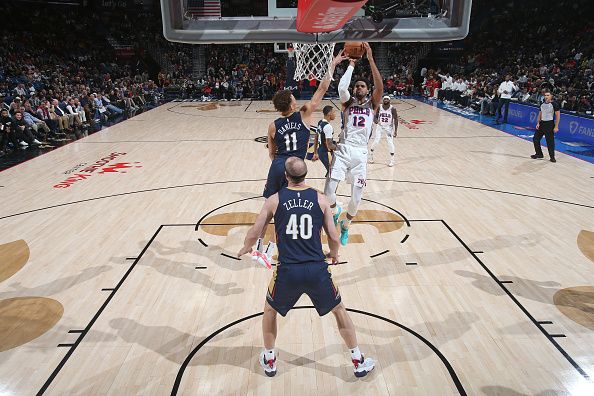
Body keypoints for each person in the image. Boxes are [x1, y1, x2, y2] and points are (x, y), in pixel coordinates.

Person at [237, 157, 376, 378]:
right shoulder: (321, 200)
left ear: (286, 176)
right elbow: (332, 235)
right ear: (305, 176)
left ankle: (270, 359)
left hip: (287, 271)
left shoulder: (274, 199)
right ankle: (358, 360)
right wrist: (334, 254)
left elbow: (256, 229)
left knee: (270, 311)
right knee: (339, 310)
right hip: (317, 270)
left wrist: (246, 246)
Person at [252, 51, 347, 268]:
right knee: (286, 212)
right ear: (292, 105)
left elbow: (271, 152)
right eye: (294, 98)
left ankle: (259, 248)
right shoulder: (304, 114)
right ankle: (273, 250)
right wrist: (332, 63)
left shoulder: (273, 125)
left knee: (269, 208)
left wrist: (278, 167)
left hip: (277, 166)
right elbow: (322, 88)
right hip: (294, 167)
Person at [324, 42, 383, 246]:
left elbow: (380, 85)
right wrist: (351, 64)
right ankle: (334, 211)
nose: (358, 88)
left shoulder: (373, 104)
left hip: (360, 154)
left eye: (362, 86)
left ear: (367, 90)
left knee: (356, 199)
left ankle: (346, 226)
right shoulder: (347, 103)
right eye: (356, 86)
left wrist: (370, 58)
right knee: (328, 192)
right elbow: (342, 87)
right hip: (343, 149)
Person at [531, 90, 561, 163]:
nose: (546, 96)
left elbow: (558, 116)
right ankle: (539, 154)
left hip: (549, 124)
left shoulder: (554, 104)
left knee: (549, 141)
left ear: (551, 96)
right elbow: (540, 114)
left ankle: (552, 157)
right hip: (542, 124)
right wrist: (538, 123)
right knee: (535, 139)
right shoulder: (542, 104)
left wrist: (556, 126)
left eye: (548, 95)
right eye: (545, 95)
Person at [370, 95, 398, 166]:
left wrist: (395, 131)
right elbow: (375, 116)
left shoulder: (393, 109)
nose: (385, 100)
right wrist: (376, 121)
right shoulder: (379, 107)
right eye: (384, 99)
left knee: (390, 143)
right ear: (382, 100)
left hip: (389, 128)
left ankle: (392, 160)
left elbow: (396, 119)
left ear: (389, 100)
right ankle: (371, 155)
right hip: (380, 126)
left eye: (387, 99)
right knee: (376, 141)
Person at [312, 105, 337, 177]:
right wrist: (339, 148)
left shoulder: (320, 122)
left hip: (321, 150)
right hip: (326, 153)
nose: (335, 114)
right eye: (334, 112)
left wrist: (315, 152)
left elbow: (316, 137)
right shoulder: (328, 127)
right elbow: (329, 145)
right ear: (329, 114)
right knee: (332, 173)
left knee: (331, 171)